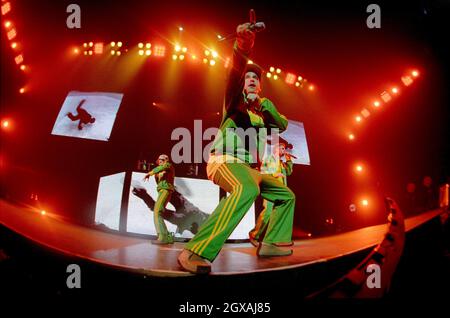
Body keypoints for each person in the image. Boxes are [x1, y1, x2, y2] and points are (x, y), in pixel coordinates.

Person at [177, 21, 296, 274]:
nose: (251, 80)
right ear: (243, 85)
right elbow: (234, 72)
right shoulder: (234, 103)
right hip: (225, 161)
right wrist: (243, 46)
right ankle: (196, 249)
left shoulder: (262, 113)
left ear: (260, 86)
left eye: (256, 78)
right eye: (248, 78)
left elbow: (282, 125)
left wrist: (267, 106)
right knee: (246, 189)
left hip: (251, 168)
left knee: (286, 196)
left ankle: (271, 242)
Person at [249, 137, 294, 247]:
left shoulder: (283, 164)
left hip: (281, 191)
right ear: (275, 149)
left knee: (278, 215)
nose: (284, 150)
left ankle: (275, 239)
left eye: (284, 149)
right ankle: (254, 235)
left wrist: (289, 161)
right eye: (282, 148)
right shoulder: (269, 159)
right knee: (268, 212)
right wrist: (275, 174)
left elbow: (288, 172)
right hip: (271, 189)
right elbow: (263, 172)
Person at [143, 154, 176, 244]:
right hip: (162, 191)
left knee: (157, 212)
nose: (160, 161)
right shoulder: (159, 170)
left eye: (162, 159)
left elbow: (162, 168)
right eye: (159, 159)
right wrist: (155, 175)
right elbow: (159, 175)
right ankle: (168, 237)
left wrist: (150, 173)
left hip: (165, 190)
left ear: (166, 160)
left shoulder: (168, 165)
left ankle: (162, 237)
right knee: (159, 212)